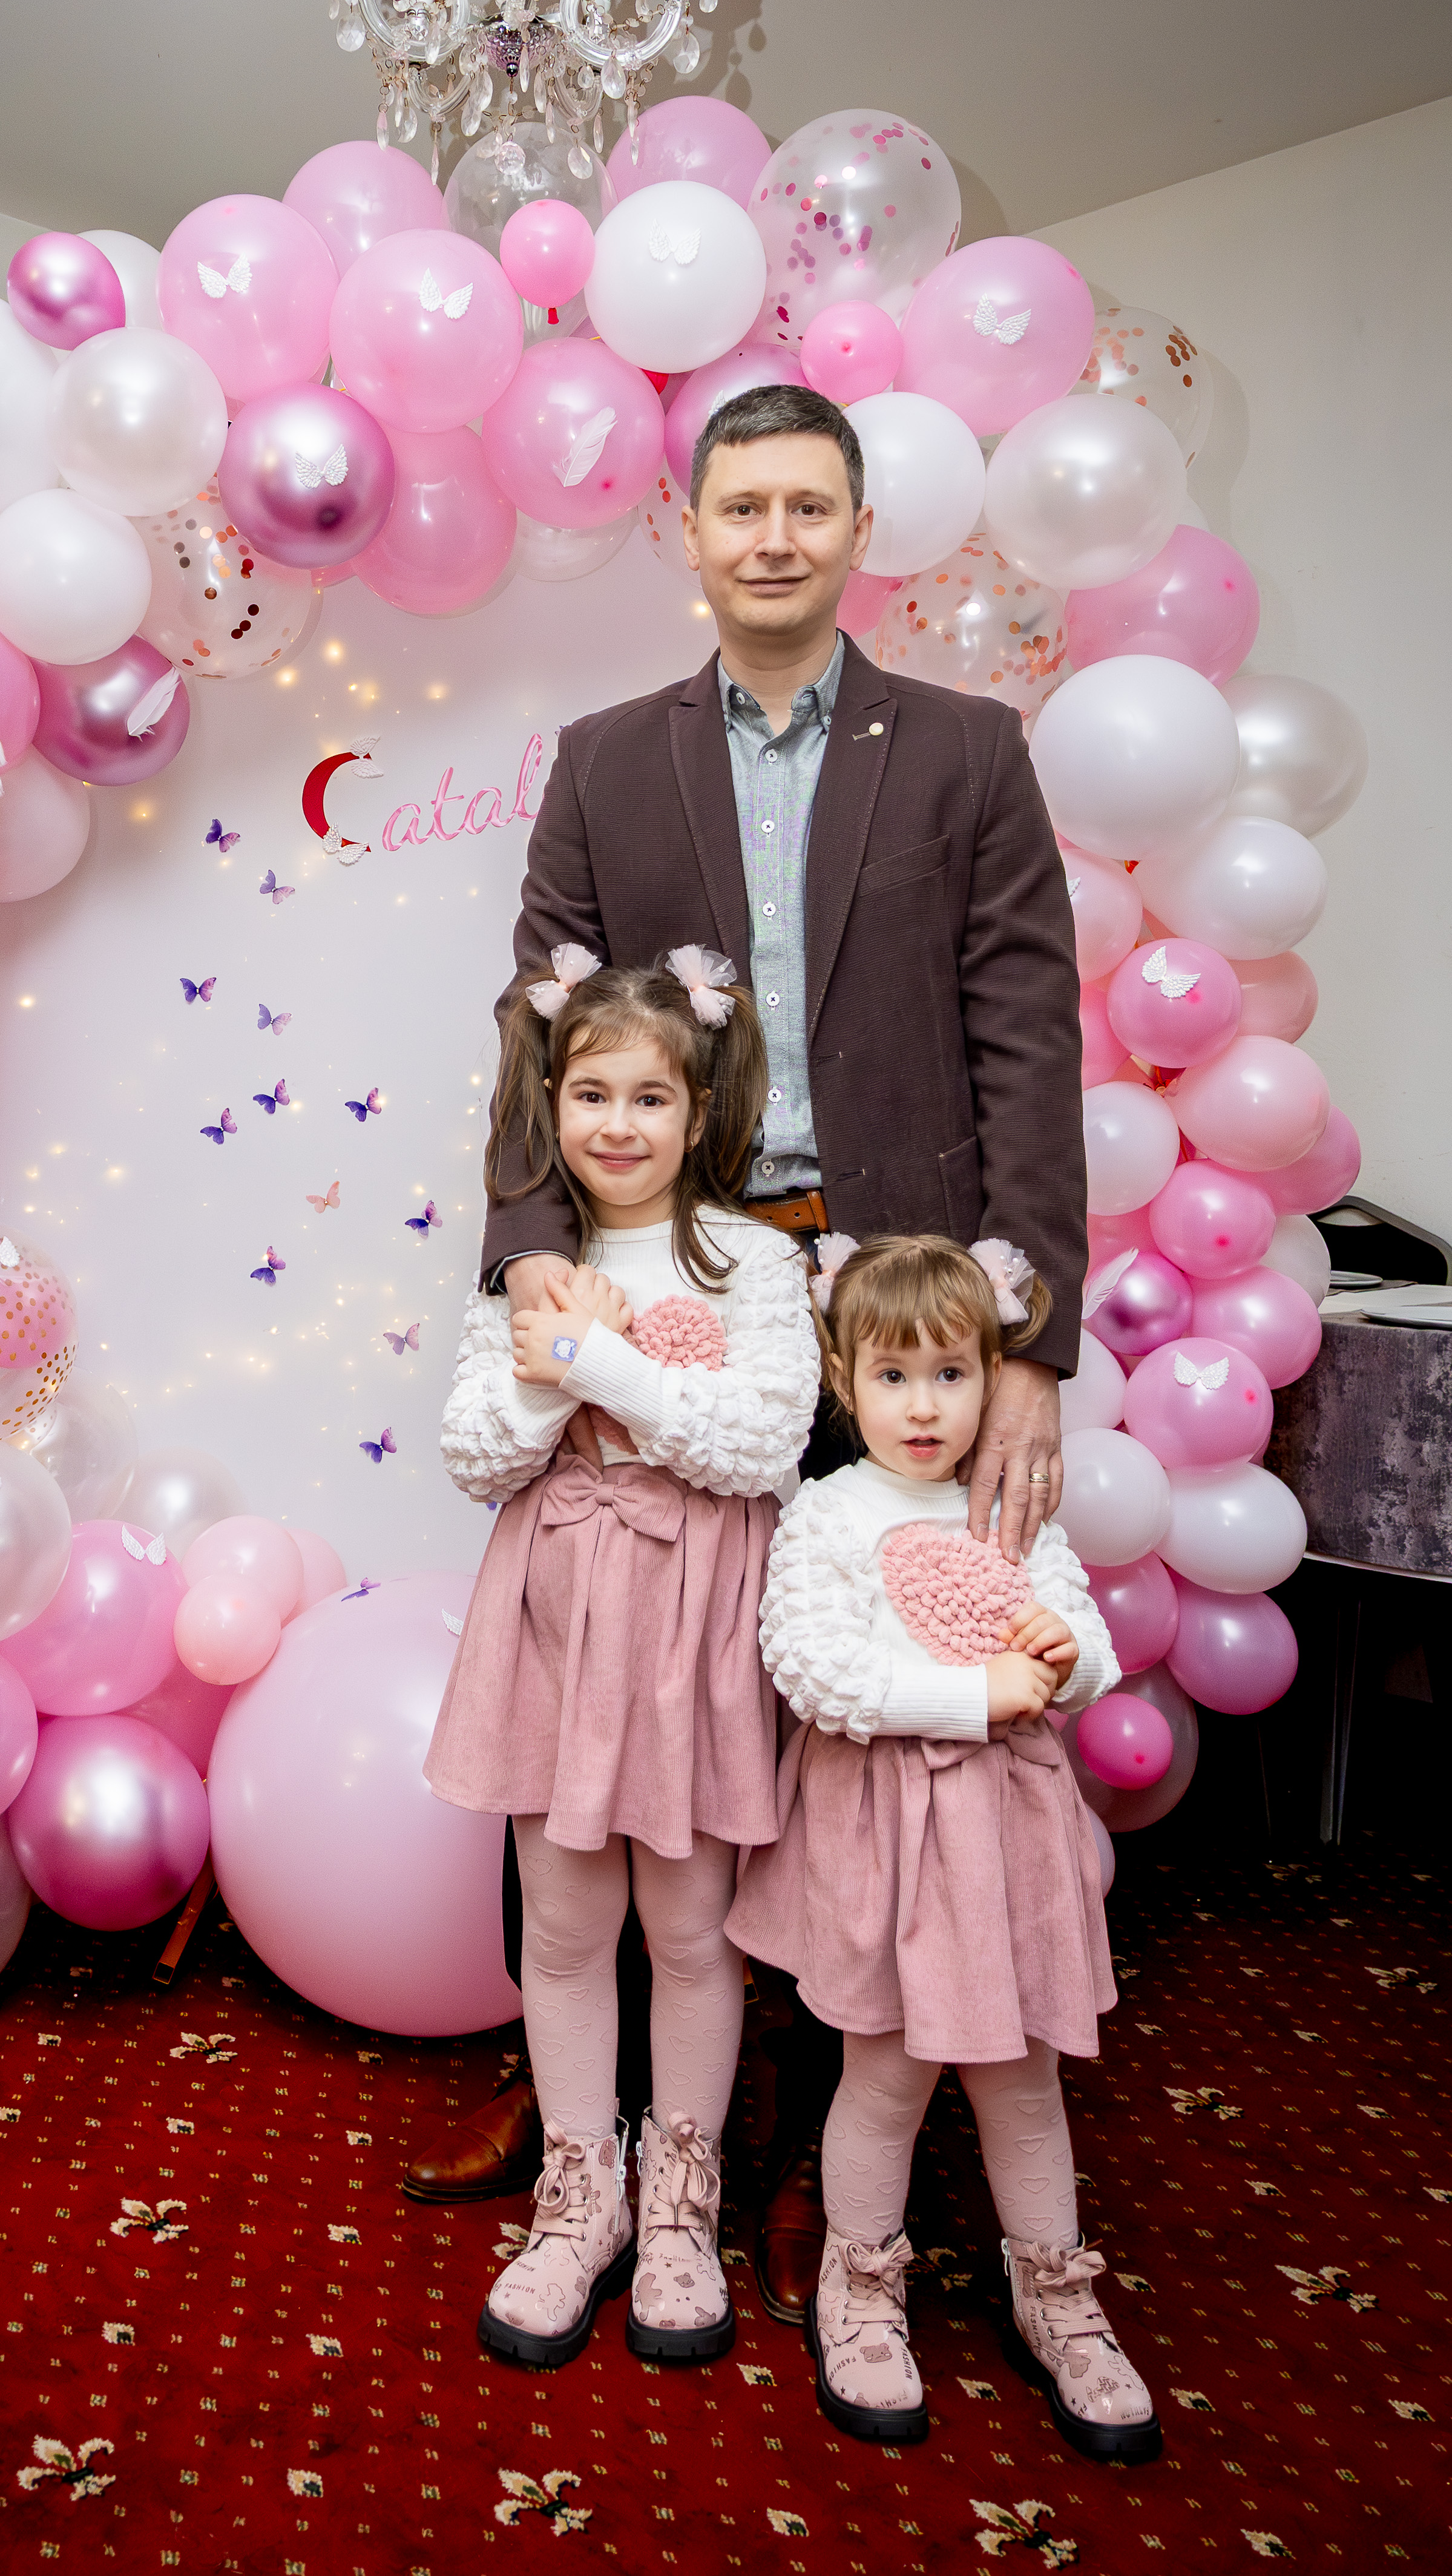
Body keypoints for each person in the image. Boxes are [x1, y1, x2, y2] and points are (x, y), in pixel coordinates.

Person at [404, 380, 1088, 2328]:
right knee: (601, 1666)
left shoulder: (963, 750)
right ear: (686, 534)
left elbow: (1025, 1035)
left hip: (888, 1303)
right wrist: (534, 1276)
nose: (771, 537)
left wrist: (1024, 1338)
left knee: (831, 1721)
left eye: (806, 506)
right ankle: (579, 2109)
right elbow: (536, 1034)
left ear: (857, 530)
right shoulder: (605, 760)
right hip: (671, 1262)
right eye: (739, 507)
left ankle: (788, 2144)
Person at [424, 948, 821, 2368]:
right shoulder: (532, 1268)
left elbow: (760, 1443)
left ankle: (679, 2199)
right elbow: (478, 1449)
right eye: (590, 1091)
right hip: (560, 1613)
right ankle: (579, 2187)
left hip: (695, 1625)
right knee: (565, 1921)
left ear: (699, 1108)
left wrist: (595, 1365)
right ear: (550, 1098)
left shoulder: (757, 1261)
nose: (617, 1123)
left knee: (693, 1926)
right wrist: (550, 1367)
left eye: (651, 1096)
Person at [726, 1230, 1158, 2463]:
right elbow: (812, 1669)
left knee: (1022, 2076)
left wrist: (1063, 1655)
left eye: (951, 1375)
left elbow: (1084, 1643)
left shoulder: (1007, 1508)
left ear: (990, 1377)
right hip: (888, 1836)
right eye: (893, 1376)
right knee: (887, 2072)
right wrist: (976, 1695)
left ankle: (1053, 2290)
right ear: (842, 1380)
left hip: (1009, 1840)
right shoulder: (826, 1512)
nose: (923, 1407)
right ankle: (861, 2282)